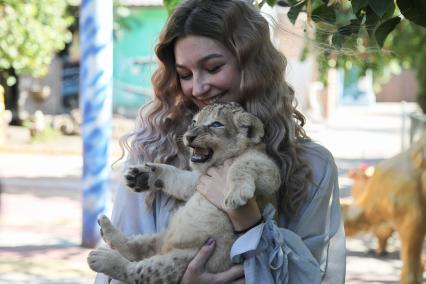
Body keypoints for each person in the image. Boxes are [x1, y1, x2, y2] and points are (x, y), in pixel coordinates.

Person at [94, 0, 346, 283]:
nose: (198, 88)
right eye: (185, 75)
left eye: (213, 68)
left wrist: (249, 221)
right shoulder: (154, 148)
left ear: (253, 66)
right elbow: (118, 270)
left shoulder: (312, 166)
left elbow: (312, 278)